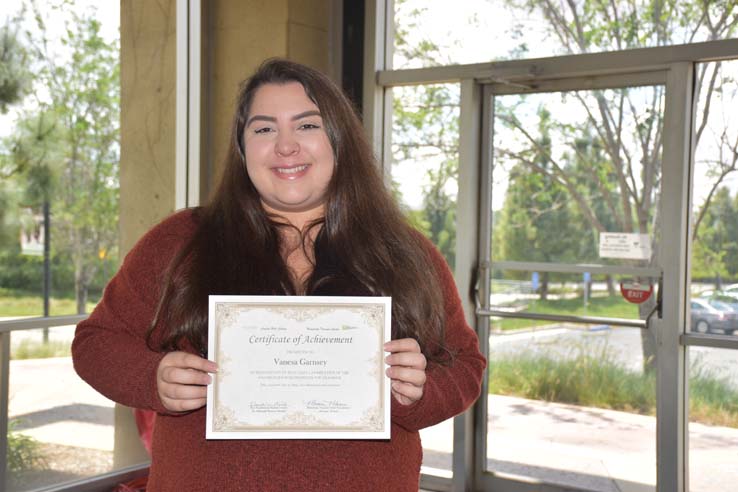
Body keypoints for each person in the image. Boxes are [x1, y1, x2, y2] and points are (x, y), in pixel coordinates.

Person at [72, 58, 486, 492]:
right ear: (242, 146)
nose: (286, 146)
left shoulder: (403, 252)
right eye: (264, 129)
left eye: (307, 126)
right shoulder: (181, 242)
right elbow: (95, 344)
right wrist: (152, 378)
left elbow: (465, 366)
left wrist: (418, 391)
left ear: (340, 140)